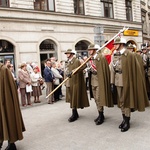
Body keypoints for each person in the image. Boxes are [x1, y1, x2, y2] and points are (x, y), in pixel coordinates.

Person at [110, 37, 149, 132]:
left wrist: (133, 82)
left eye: (116, 44)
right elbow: (112, 69)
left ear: (121, 44)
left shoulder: (130, 55)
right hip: (118, 80)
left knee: (126, 100)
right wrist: (112, 82)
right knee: (121, 101)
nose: (114, 45)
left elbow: (136, 69)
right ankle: (124, 119)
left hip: (127, 81)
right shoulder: (115, 54)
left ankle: (127, 120)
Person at [0, 63, 25, 150]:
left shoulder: (4, 70)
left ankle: (11, 143)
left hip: (5, 100)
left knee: (8, 118)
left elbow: (9, 89)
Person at [87, 44, 113, 125]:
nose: (89, 51)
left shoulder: (100, 58)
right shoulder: (91, 59)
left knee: (98, 98)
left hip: (99, 81)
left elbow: (103, 70)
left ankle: (101, 115)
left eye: (91, 49)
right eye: (89, 50)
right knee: (95, 98)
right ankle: (100, 114)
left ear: (95, 50)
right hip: (93, 80)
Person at [64, 49, 90, 122]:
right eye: (66, 53)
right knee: (71, 97)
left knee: (74, 98)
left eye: (68, 53)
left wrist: (74, 71)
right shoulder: (67, 62)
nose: (66, 55)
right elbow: (66, 71)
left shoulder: (76, 61)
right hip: (69, 81)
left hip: (75, 81)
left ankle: (74, 114)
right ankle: (75, 112)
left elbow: (84, 66)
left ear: (71, 54)